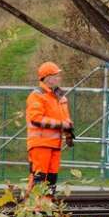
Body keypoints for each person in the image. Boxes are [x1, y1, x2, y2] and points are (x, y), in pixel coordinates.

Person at [25, 61, 73, 191]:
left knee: (51, 179)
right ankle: (33, 208)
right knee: (39, 178)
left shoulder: (60, 97)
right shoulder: (37, 95)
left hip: (55, 144)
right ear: (48, 78)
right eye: (56, 75)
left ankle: (47, 206)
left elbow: (65, 119)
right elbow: (35, 119)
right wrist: (61, 125)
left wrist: (68, 134)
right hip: (40, 143)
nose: (59, 78)